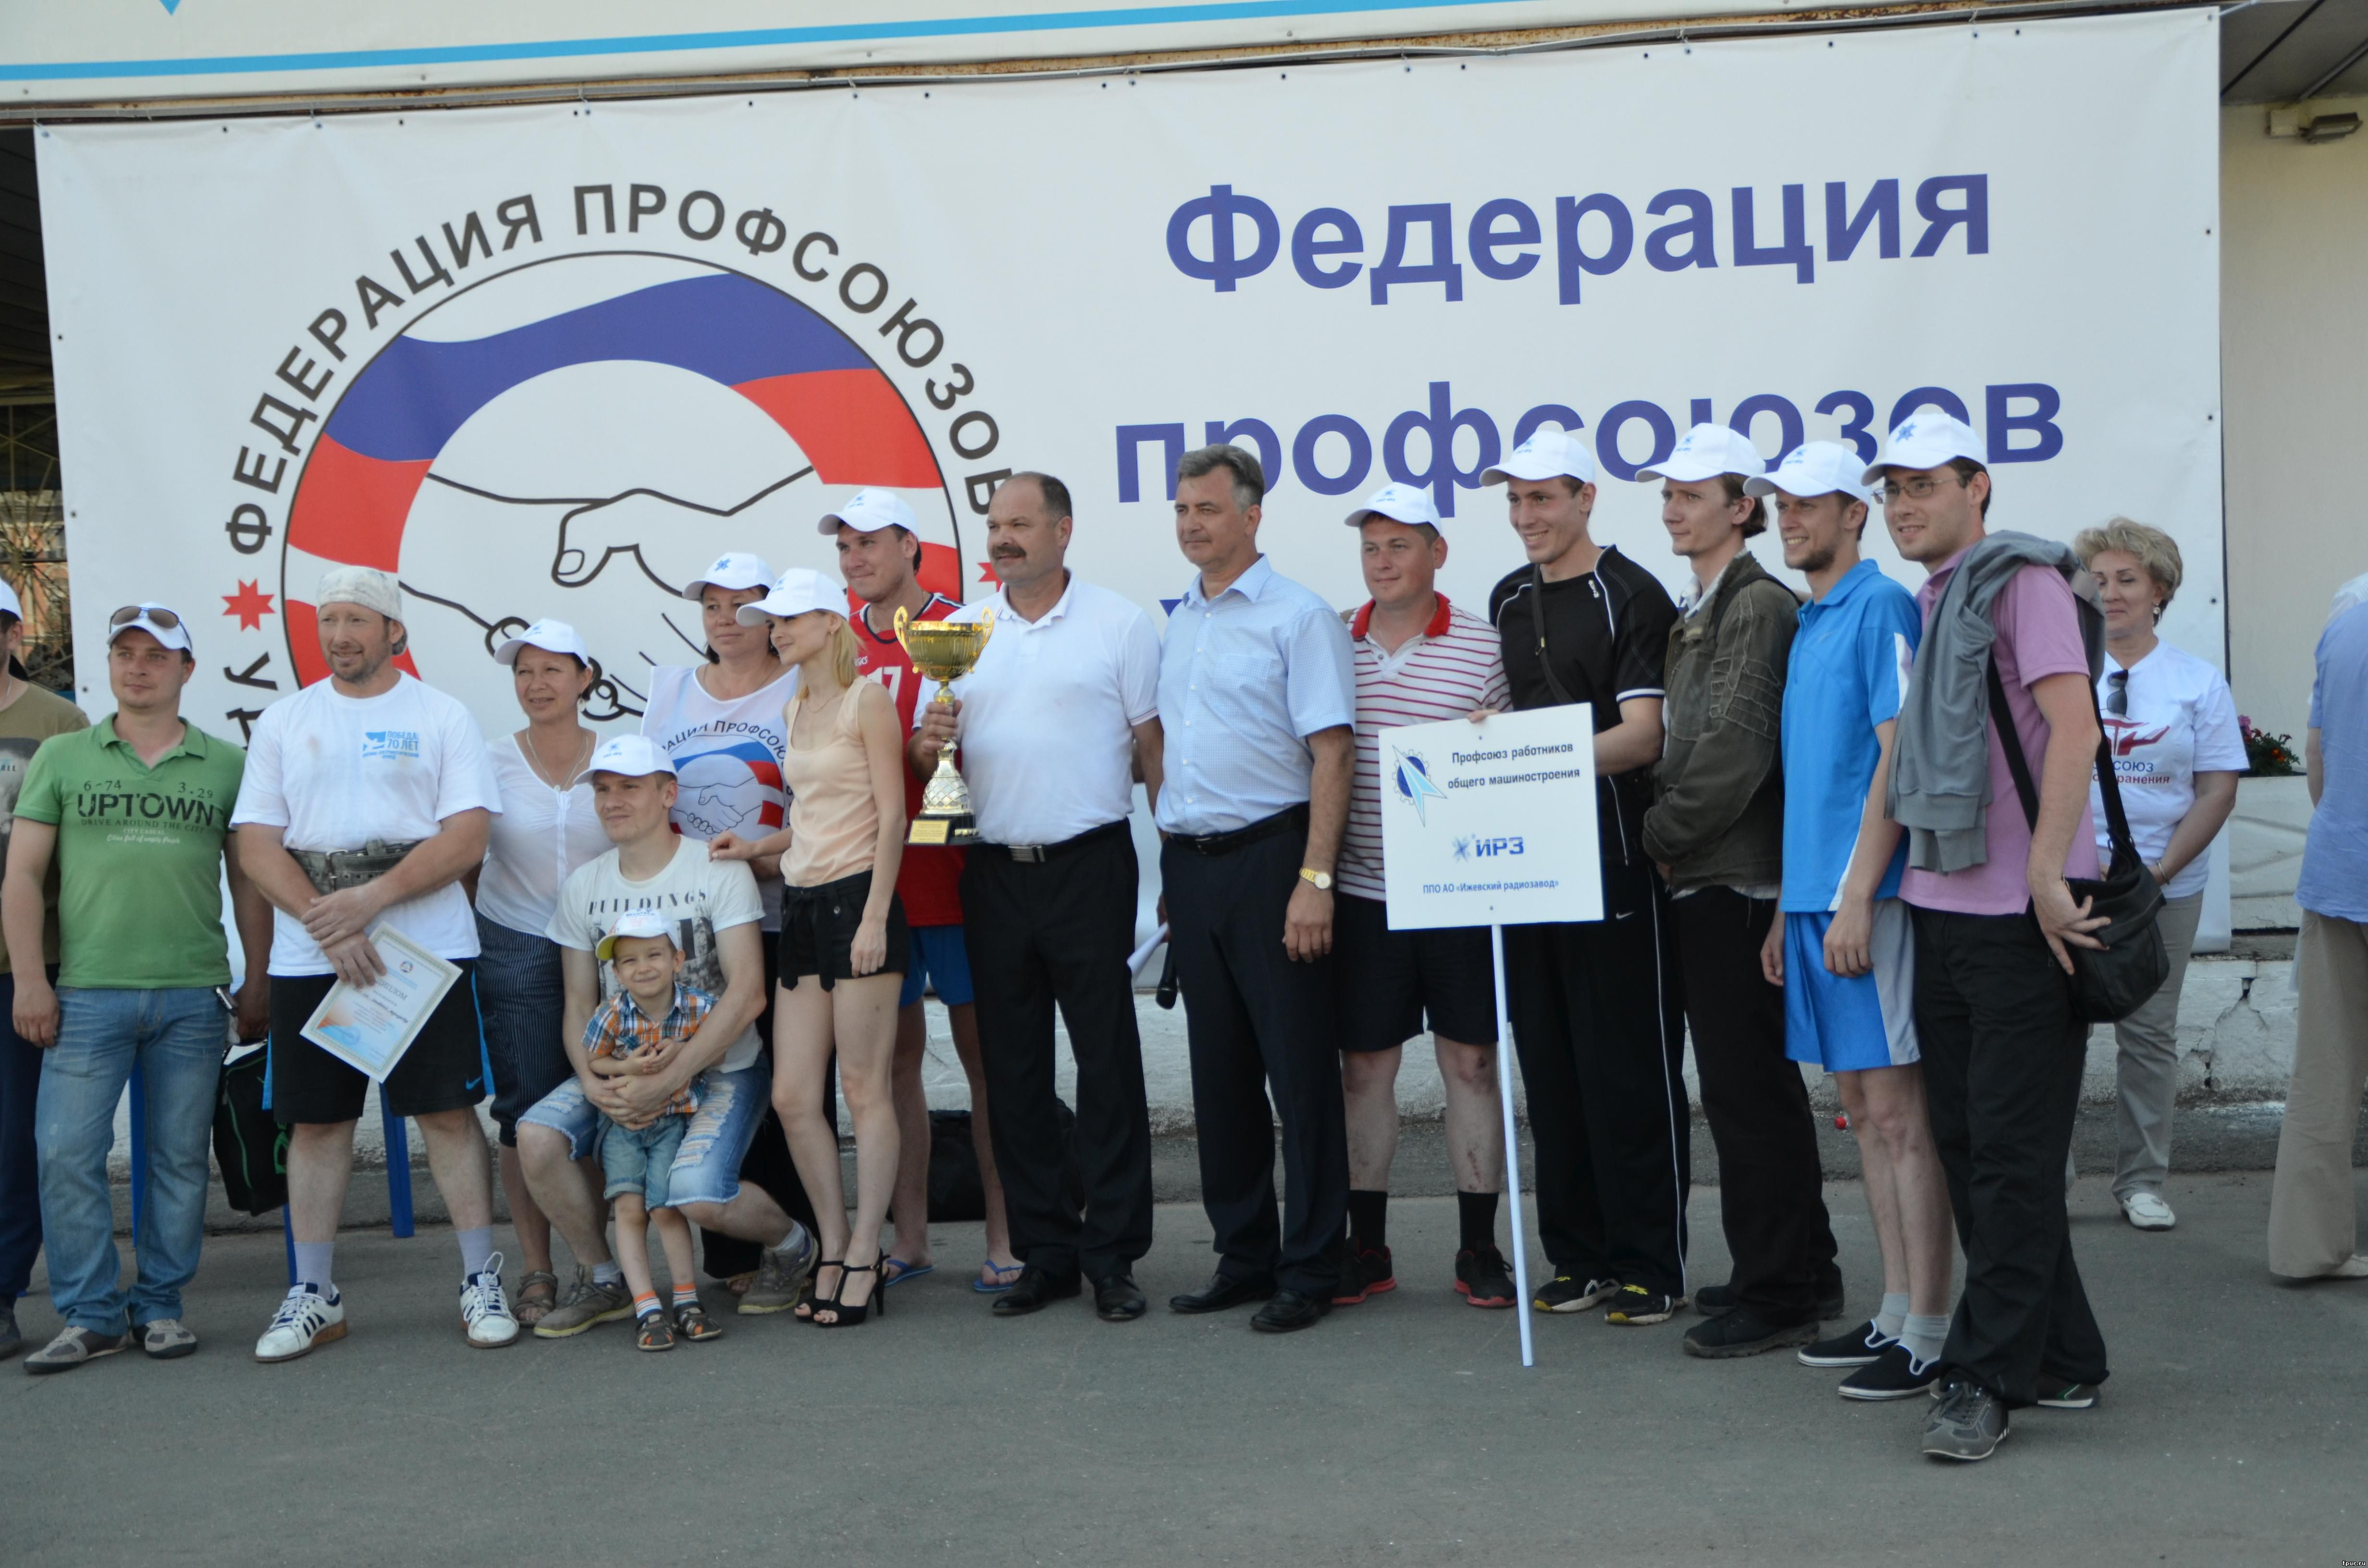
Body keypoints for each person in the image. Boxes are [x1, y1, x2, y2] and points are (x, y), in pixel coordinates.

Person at [1876, 412, 2111, 1462]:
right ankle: (2060, 1351)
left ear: (1978, 486)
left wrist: (2047, 873)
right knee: (1973, 1148)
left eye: (1923, 483)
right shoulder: (1939, 596)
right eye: (1892, 488)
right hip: (1944, 902)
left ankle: (1982, 1376)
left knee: (2012, 1157)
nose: (1902, 504)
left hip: (2023, 914)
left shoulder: (2021, 582)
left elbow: (2075, 727)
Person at [231, 567, 515, 1361]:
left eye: (357, 620)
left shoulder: (441, 715)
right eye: (329, 620)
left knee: (447, 1114)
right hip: (311, 952)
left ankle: (478, 1278)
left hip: (425, 947)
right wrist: (329, 924)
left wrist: (373, 899)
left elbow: (467, 837)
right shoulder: (285, 719)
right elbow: (257, 844)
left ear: (395, 631)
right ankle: (314, 1293)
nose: (339, 636)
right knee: (317, 1122)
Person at [911, 471, 1162, 1322]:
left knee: (1107, 1063)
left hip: (1090, 866)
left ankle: (1114, 1256)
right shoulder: (961, 631)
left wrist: (1175, 869)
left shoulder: (1118, 622)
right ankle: (1045, 1253)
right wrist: (927, 744)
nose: (1002, 539)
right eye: (994, 525)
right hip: (992, 871)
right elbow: (925, 758)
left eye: (1020, 523)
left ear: (1063, 530)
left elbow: (1152, 748)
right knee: (1012, 1071)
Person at [6, 606, 270, 1372]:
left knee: (179, 1159)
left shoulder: (227, 763)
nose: (139, 668)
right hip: (86, 994)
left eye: (157, 656)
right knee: (63, 1153)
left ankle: (159, 1306)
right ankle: (91, 1315)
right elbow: (21, 876)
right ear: (110, 665)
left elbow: (248, 881)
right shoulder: (63, 756)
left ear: (187, 669)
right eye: (125, 654)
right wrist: (31, 980)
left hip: (193, 995)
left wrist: (258, 977)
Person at [1749, 443, 1954, 1400]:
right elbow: (1814, 783)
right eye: (1780, 507)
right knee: (1865, 1117)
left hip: (1865, 903)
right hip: (1812, 904)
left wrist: (1857, 894)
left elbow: (1896, 759)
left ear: (1853, 514)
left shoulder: (1879, 606)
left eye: (1808, 505)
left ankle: (1931, 1331)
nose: (1789, 520)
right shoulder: (1810, 617)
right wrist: (1787, 906)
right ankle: (1893, 1312)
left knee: (1900, 1117)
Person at [1632, 425, 1842, 1360]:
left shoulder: (1753, 603)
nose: (1672, 509)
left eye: (1690, 494)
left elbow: (1734, 752)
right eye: (1667, 494)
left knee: (1745, 1093)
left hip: (1735, 878)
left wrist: (1657, 837)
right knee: (1755, 1088)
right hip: (1718, 874)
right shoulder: (1709, 601)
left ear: (1739, 508)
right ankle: (1805, 1267)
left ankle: (1777, 1291)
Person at [1480, 429, 1689, 1327]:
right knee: (1552, 1068)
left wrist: (1530, 756)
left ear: (1585, 497)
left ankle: (1651, 1263)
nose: (1526, 515)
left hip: (1617, 864)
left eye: (1542, 497)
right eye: (1514, 500)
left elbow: (1644, 737)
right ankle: (1579, 1257)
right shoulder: (1506, 595)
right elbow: (1503, 720)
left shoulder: (1631, 593)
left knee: (1629, 1069)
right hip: (1530, 868)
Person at [521, 734, 816, 1338]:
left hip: (722, 1070)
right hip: (627, 1074)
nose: (612, 801)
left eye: (629, 787)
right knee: (536, 1136)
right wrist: (592, 1082)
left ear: (667, 794)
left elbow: (748, 994)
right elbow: (579, 1003)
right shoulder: (584, 886)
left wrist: (672, 1077)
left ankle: (793, 1247)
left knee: (695, 1197)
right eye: (603, 789)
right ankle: (604, 1278)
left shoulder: (715, 868)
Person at [1159, 443, 1356, 1335]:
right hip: (1194, 869)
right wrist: (1174, 865)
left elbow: (1332, 754)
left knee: (1299, 1074)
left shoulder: (1299, 617)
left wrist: (1314, 880)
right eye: (1182, 509)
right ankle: (1243, 1256)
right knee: (1221, 1075)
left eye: (1207, 508)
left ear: (1251, 515)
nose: (1191, 524)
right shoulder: (1182, 621)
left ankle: (1312, 1266)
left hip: (1276, 864)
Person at [1326, 481, 1517, 1311]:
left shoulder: (1483, 647)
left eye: (1399, 545)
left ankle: (1480, 1246)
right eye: (1371, 547)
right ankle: (1366, 1246)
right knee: (1363, 1069)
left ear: (1437, 552)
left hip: (1458, 893)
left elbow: (1514, 766)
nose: (1382, 561)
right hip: (1363, 891)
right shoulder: (1332, 639)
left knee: (1469, 1063)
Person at [834, 487, 1020, 1295]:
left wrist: (932, 750)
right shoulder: (837, 642)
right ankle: (909, 1237)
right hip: (879, 888)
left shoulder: (963, 625)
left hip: (962, 875)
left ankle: (1005, 1236)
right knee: (893, 1067)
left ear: (910, 545)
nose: (855, 558)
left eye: (870, 542)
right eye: (845, 546)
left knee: (987, 1065)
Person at [718, 566, 909, 1328]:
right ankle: (833, 1244)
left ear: (832, 621)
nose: (777, 630)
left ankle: (866, 1251)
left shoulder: (869, 700)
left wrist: (875, 918)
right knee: (795, 1096)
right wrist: (754, 847)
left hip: (859, 905)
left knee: (864, 1090)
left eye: (790, 618)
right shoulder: (796, 706)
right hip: (799, 907)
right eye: (774, 620)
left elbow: (891, 818)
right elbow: (812, 818)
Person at [640, 551, 816, 1302]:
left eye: (743, 606)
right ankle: (734, 1251)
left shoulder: (802, 686)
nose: (725, 619)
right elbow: (649, 797)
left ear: (771, 616)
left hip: (781, 916)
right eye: (712, 605)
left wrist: (770, 859)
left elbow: (824, 801)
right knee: (709, 1081)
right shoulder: (669, 690)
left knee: (786, 1088)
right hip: (692, 931)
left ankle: (800, 1242)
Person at [2071, 520, 2243, 1232]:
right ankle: (2045, 1178)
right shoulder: (2061, 673)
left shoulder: (2196, 682)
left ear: (2160, 591)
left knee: (2147, 1033)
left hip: (2164, 887)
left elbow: (2217, 789)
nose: (2109, 593)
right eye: (2097, 580)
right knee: (2051, 1030)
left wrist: (2157, 872)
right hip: (2069, 881)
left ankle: (2141, 1182)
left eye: (2127, 579)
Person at [470, 618, 609, 1326]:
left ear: (586, 678)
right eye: (524, 671)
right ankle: (537, 1268)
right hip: (515, 944)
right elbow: (462, 855)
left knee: (609, 1104)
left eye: (553, 670)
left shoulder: (617, 756)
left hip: (609, 948)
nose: (536, 684)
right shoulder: (489, 760)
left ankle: (605, 1263)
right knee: (523, 1110)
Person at [2267, 596, 2368, 1281]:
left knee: (2324, 1071)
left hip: (2341, 867)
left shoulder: (2348, 621)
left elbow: (2316, 753)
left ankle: (2305, 1246)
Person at [0, 576, 87, 1362]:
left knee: (14, 1140)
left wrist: (36, 975)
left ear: (12, 634)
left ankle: (2, 1292)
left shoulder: (59, 723)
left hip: (28, 963)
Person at [581, 911, 723, 1351]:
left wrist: (683, 1051)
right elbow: (594, 1060)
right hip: (623, 1125)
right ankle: (647, 1308)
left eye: (654, 955)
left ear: (678, 960)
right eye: (629, 961)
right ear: (616, 972)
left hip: (673, 1121)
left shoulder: (700, 1006)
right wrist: (626, 1066)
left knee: (666, 1210)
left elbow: (719, 1052)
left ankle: (687, 1301)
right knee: (629, 1209)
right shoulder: (612, 1013)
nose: (643, 968)